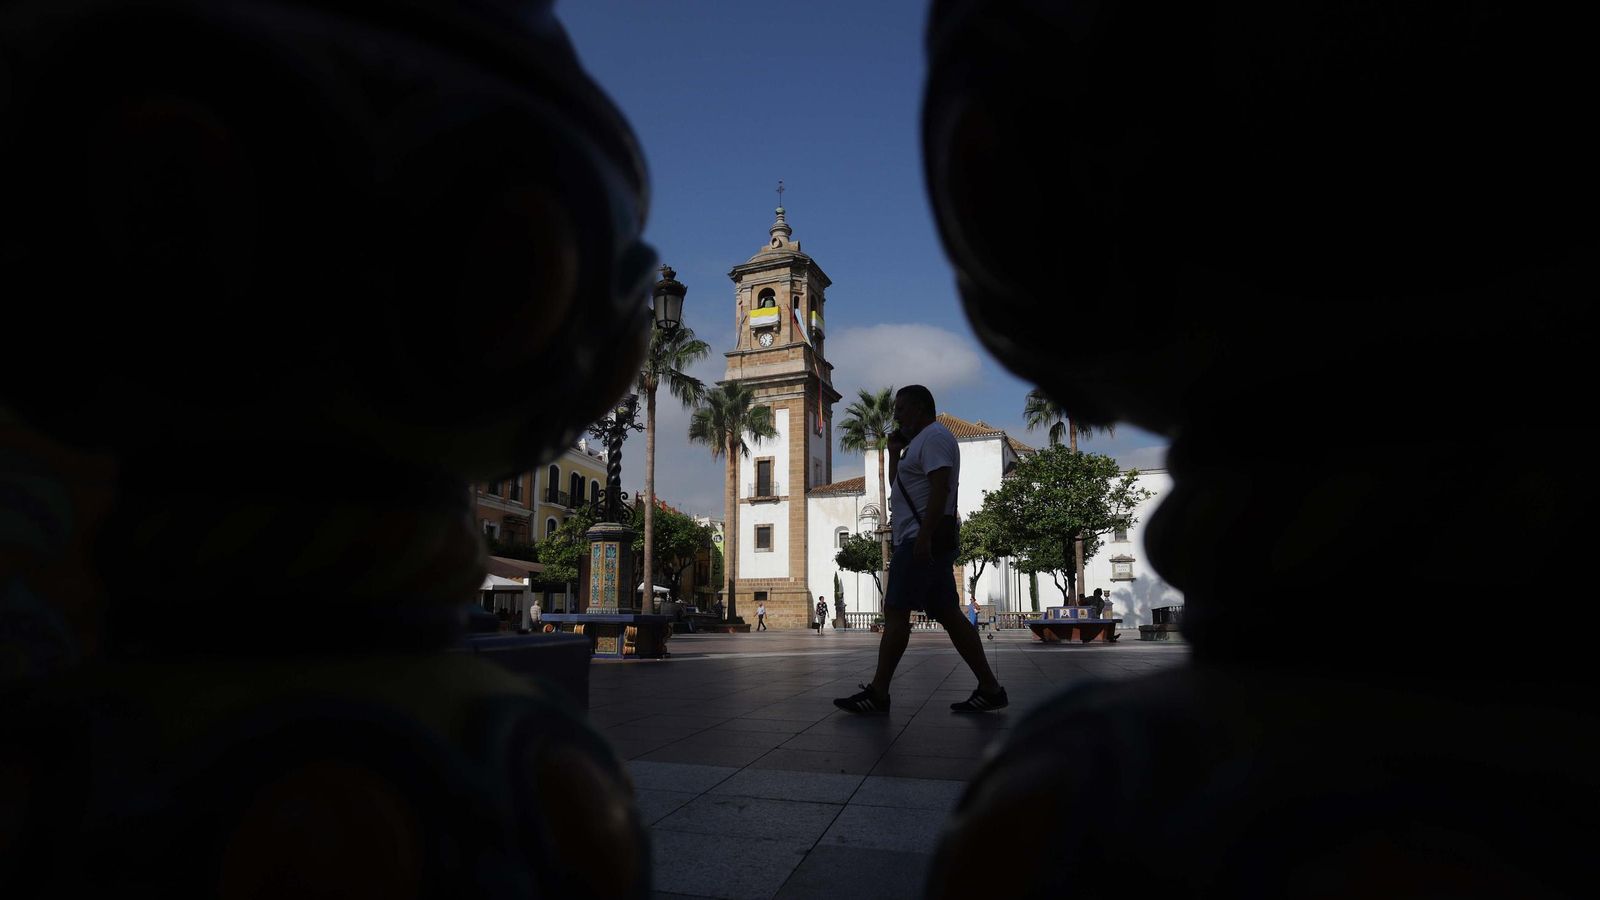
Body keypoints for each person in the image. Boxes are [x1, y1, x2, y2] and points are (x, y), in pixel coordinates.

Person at [835, 385, 1006, 714]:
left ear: (918, 409)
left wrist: (925, 536)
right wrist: (894, 454)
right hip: (918, 539)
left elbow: (941, 486)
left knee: (896, 611)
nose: (895, 415)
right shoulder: (917, 445)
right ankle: (990, 687)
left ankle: (879, 693)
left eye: (900, 409)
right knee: (950, 616)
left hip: (919, 541)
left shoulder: (936, 437)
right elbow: (899, 486)